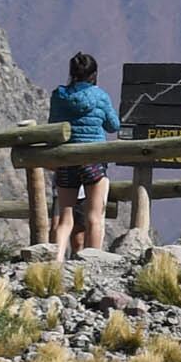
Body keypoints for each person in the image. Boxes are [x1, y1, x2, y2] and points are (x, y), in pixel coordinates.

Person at [42, 54, 120, 260]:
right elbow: (113, 125)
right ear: (94, 74)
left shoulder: (58, 96)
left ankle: (55, 262)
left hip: (66, 159)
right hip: (93, 159)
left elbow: (53, 124)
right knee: (94, 217)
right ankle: (91, 264)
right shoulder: (100, 96)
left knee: (65, 218)